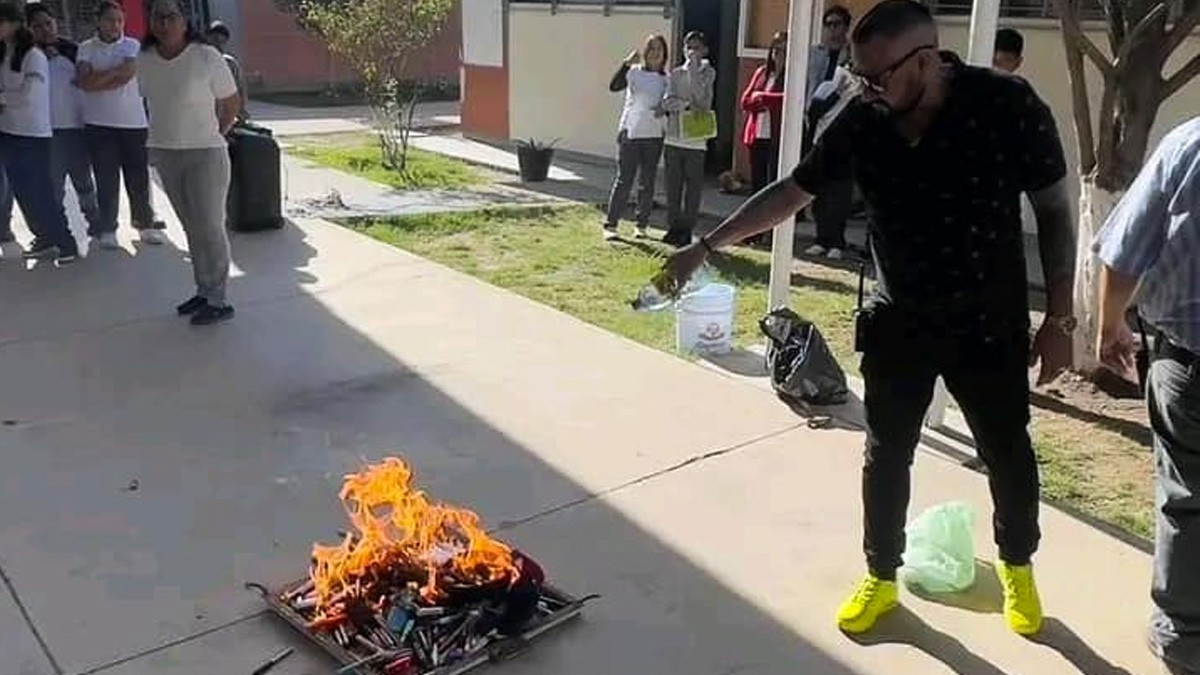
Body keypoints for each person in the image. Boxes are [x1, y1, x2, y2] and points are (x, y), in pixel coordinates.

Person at [661, 0, 1078, 637]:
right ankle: (881, 575)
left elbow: (1054, 209)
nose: (866, 90)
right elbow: (792, 191)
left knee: (1008, 452)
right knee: (886, 454)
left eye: (877, 78)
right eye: (858, 77)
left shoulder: (1007, 107)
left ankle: (1018, 569)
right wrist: (706, 245)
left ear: (925, 60)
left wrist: (1061, 317)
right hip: (899, 319)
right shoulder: (865, 119)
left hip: (986, 322)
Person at [1094, 117, 1200, 675]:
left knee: (1186, 500)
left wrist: (1109, 324)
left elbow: (1124, 250)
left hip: (1188, 361)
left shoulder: (1188, 145)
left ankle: (1183, 637)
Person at [138, 0, 240, 325]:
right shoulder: (145, 59)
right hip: (167, 153)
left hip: (206, 153)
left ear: (185, 21)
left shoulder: (205, 56)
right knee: (191, 228)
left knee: (210, 227)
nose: (163, 23)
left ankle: (219, 299)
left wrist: (217, 133)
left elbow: (230, 102)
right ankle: (203, 290)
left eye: (171, 16)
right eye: (157, 16)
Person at [77, 0, 166, 248]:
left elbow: (126, 75)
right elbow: (84, 82)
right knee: (106, 179)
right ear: (98, 21)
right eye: (109, 19)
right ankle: (108, 228)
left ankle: (144, 224)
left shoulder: (132, 45)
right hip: (98, 124)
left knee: (137, 177)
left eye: (119, 20)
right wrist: (112, 75)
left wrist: (99, 79)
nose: (115, 25)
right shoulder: (86, 48)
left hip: (132, 124)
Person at [0, 1, 78, 264]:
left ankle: (65, 242)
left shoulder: (33, 55)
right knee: (23, 193)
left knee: (42, 192)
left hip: (32, 134)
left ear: (13, 23)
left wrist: (1, 98)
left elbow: (28, 94)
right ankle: (44, 237)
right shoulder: (4, 52)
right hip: (8, 132)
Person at [27, 3, 102, 240]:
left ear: (55, 23)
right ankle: (59, 233)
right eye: (37, 26)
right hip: (45, 132)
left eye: (47, 24)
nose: (44, 30)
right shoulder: (26, 56)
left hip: (77, 128)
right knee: (53, 187)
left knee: (84, 182)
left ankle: (97, 223)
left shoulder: (74, 51)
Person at [602, 34, 668, 241]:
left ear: (664, 54)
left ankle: (641, 225)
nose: (655, 53)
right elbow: (614, 86)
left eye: (659, 49)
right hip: (630, 134)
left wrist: (664, 109)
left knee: (647, 182)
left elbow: (671, 104)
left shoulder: (666, 80)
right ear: (645, 52)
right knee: (624, 180)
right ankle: (611, 225)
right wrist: (625, 64)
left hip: (654, 136)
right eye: (651, 49)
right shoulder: (634, 73)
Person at [804, 5, 855, 260]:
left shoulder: (853, 57)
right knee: (820, 184)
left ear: (846, 28)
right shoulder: (815, 55)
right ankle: (821, 238)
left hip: (844, 127)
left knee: (840, 187)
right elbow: (807, 85)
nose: (833, 30)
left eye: (838, 24)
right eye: (829, 24)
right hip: (816, 125)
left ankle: (837, 240)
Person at [660, 30, 715, 248]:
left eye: (697, 47)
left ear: (705, 50)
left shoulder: (708, 72)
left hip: (696, 140)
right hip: (674, 138)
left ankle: (686, 228)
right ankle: (673, 227)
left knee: (693, 188)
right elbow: (667, 102)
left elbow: (702, 98)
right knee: (673, 187)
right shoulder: (675, 73)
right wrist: (685, 105)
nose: (691, 51)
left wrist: (693, 69)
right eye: (688, 47)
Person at [741, 30, 786, 194]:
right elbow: (745, 101)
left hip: (776, 135)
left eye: (784, 50)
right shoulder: (762, 72)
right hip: (757, 134)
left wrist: (763, 98)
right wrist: (759, 102)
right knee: (757, 180)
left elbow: (787, 99)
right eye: (776, 50)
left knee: (773, 180)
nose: (779, 54)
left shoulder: (791, 76)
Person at [204, 19, 247, 122]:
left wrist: (241, 110)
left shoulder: (230, 64)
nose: (218, 45)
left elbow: (240, 89)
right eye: (214, 40)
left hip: (226, 117)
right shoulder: (200, 63)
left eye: (221, 42)